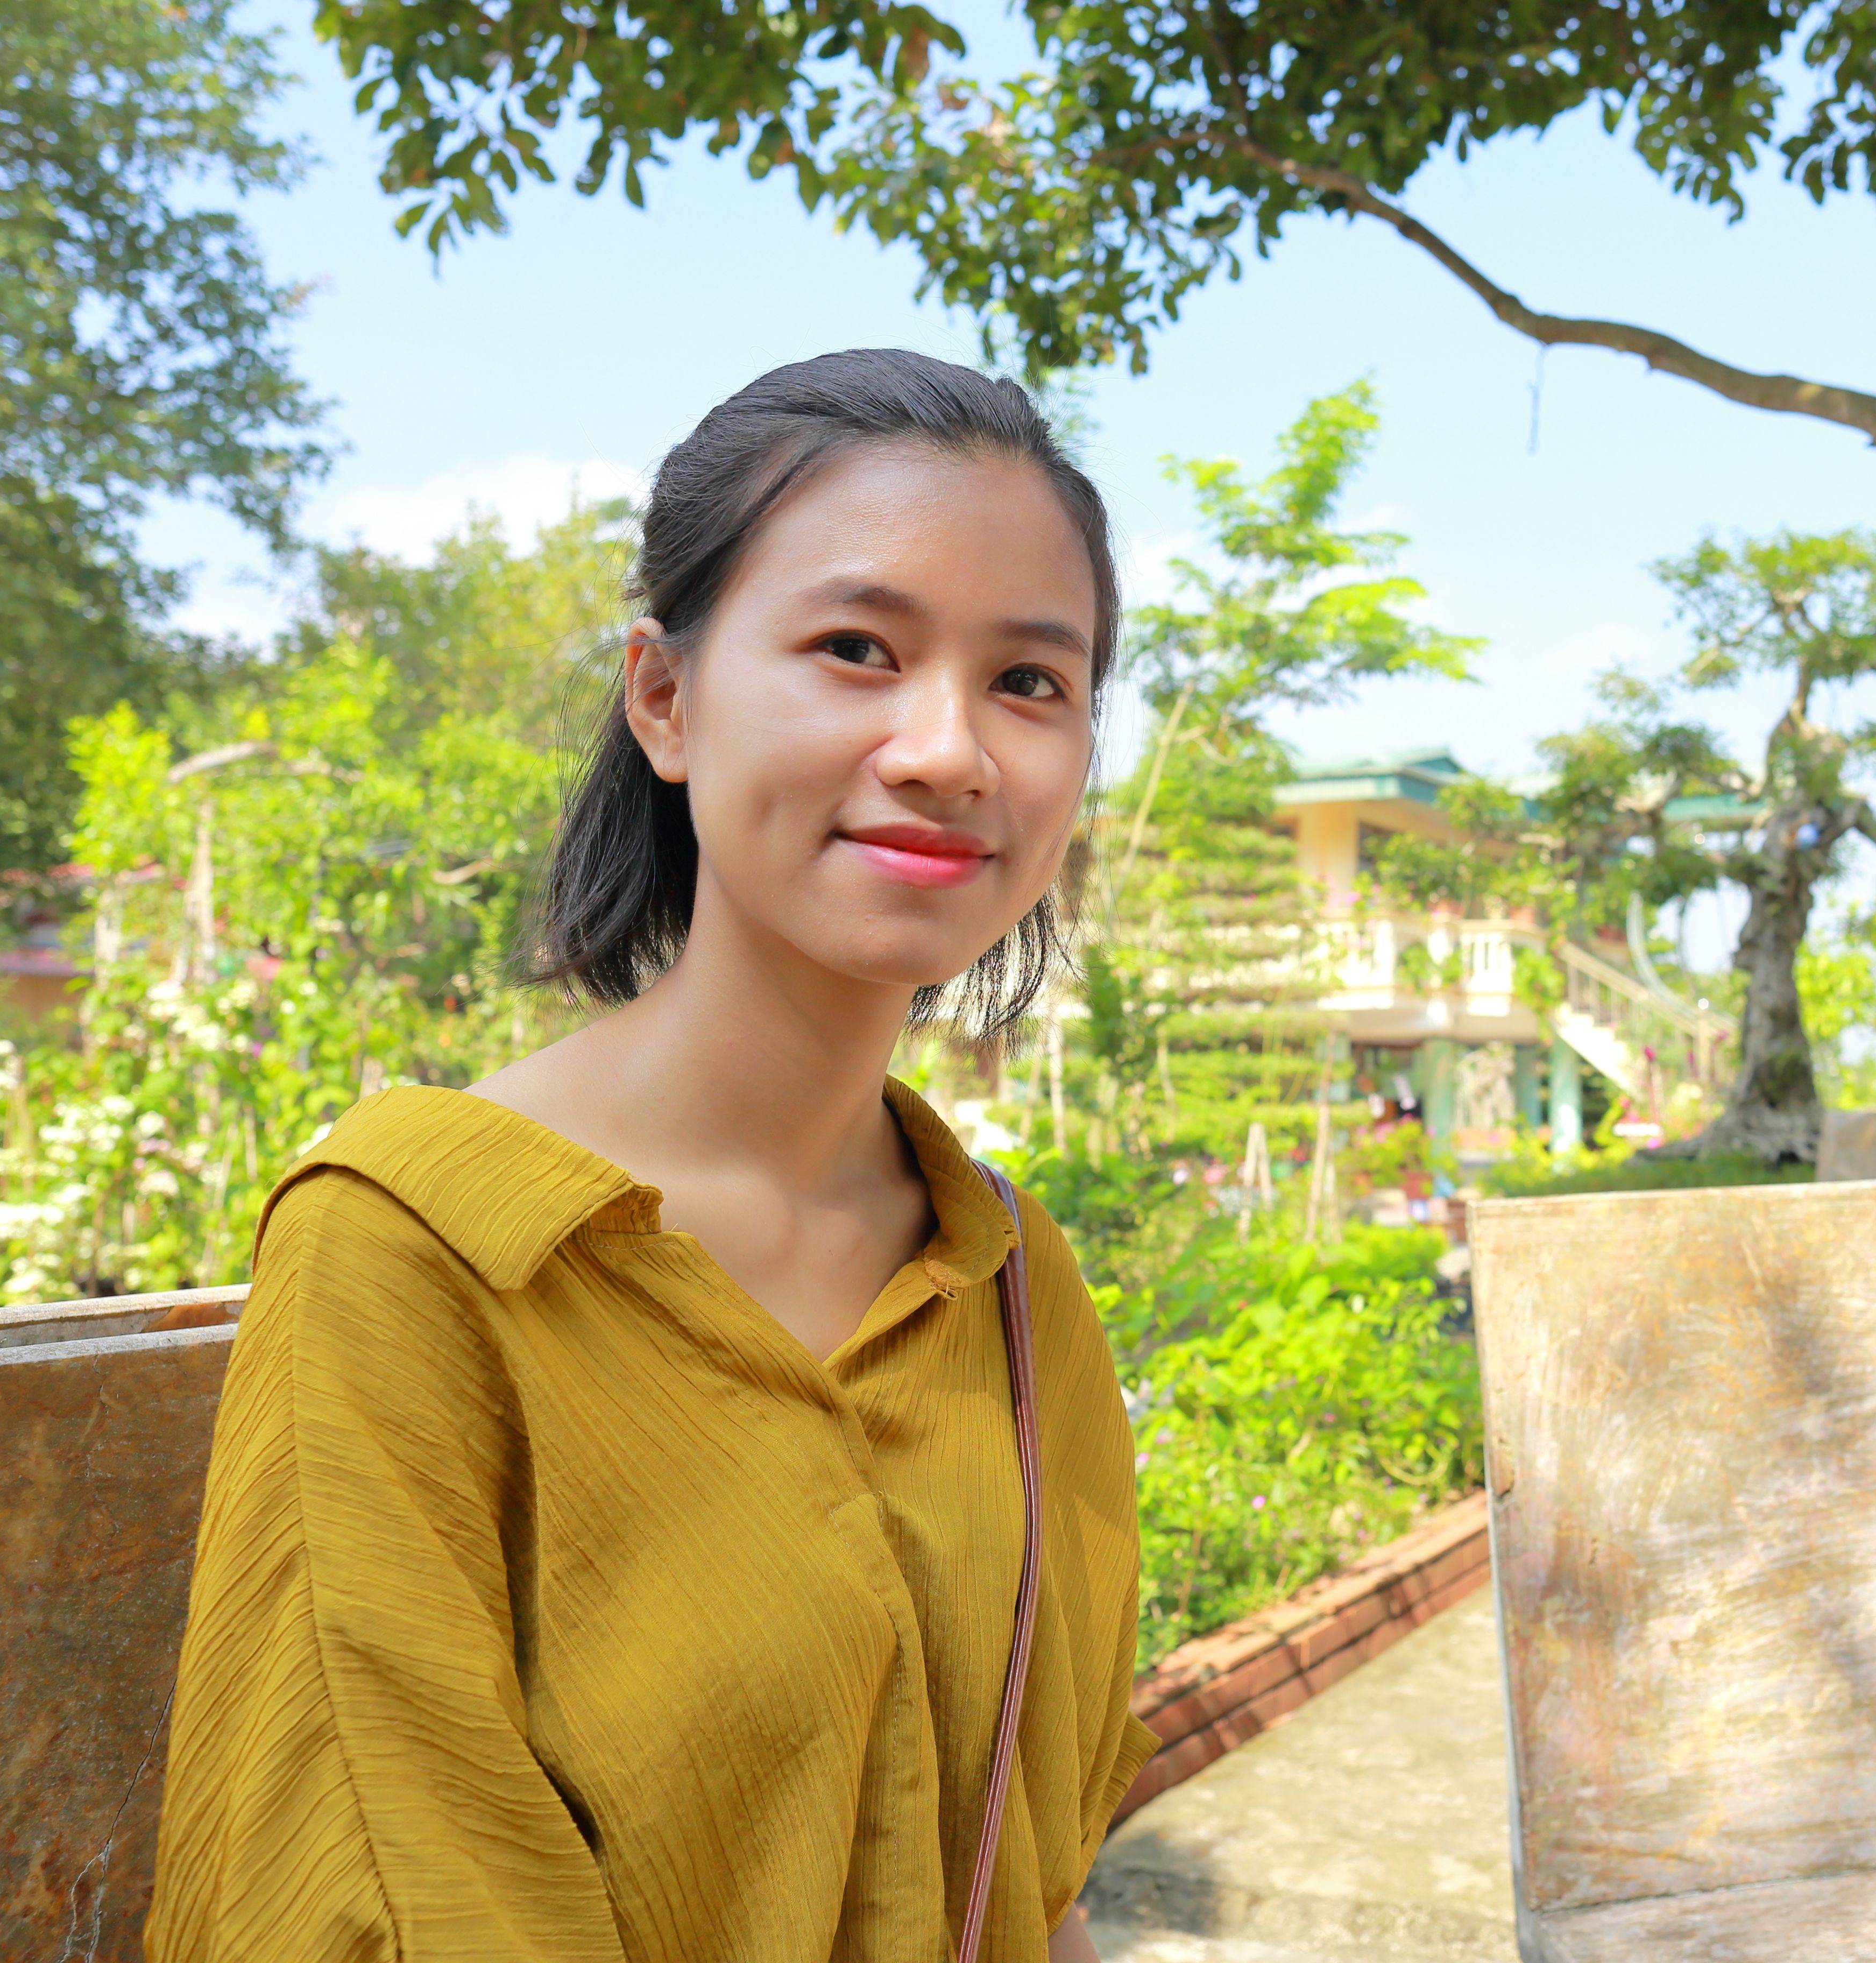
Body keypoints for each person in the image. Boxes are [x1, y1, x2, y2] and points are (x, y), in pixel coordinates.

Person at [148, 350, 1155, 1962]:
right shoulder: (421, 1251)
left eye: (1031, 683)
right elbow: (376, 1895)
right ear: (665, 699)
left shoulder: (1016, 1286)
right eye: (856, 649)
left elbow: (1045, 1891)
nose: (949, 749)